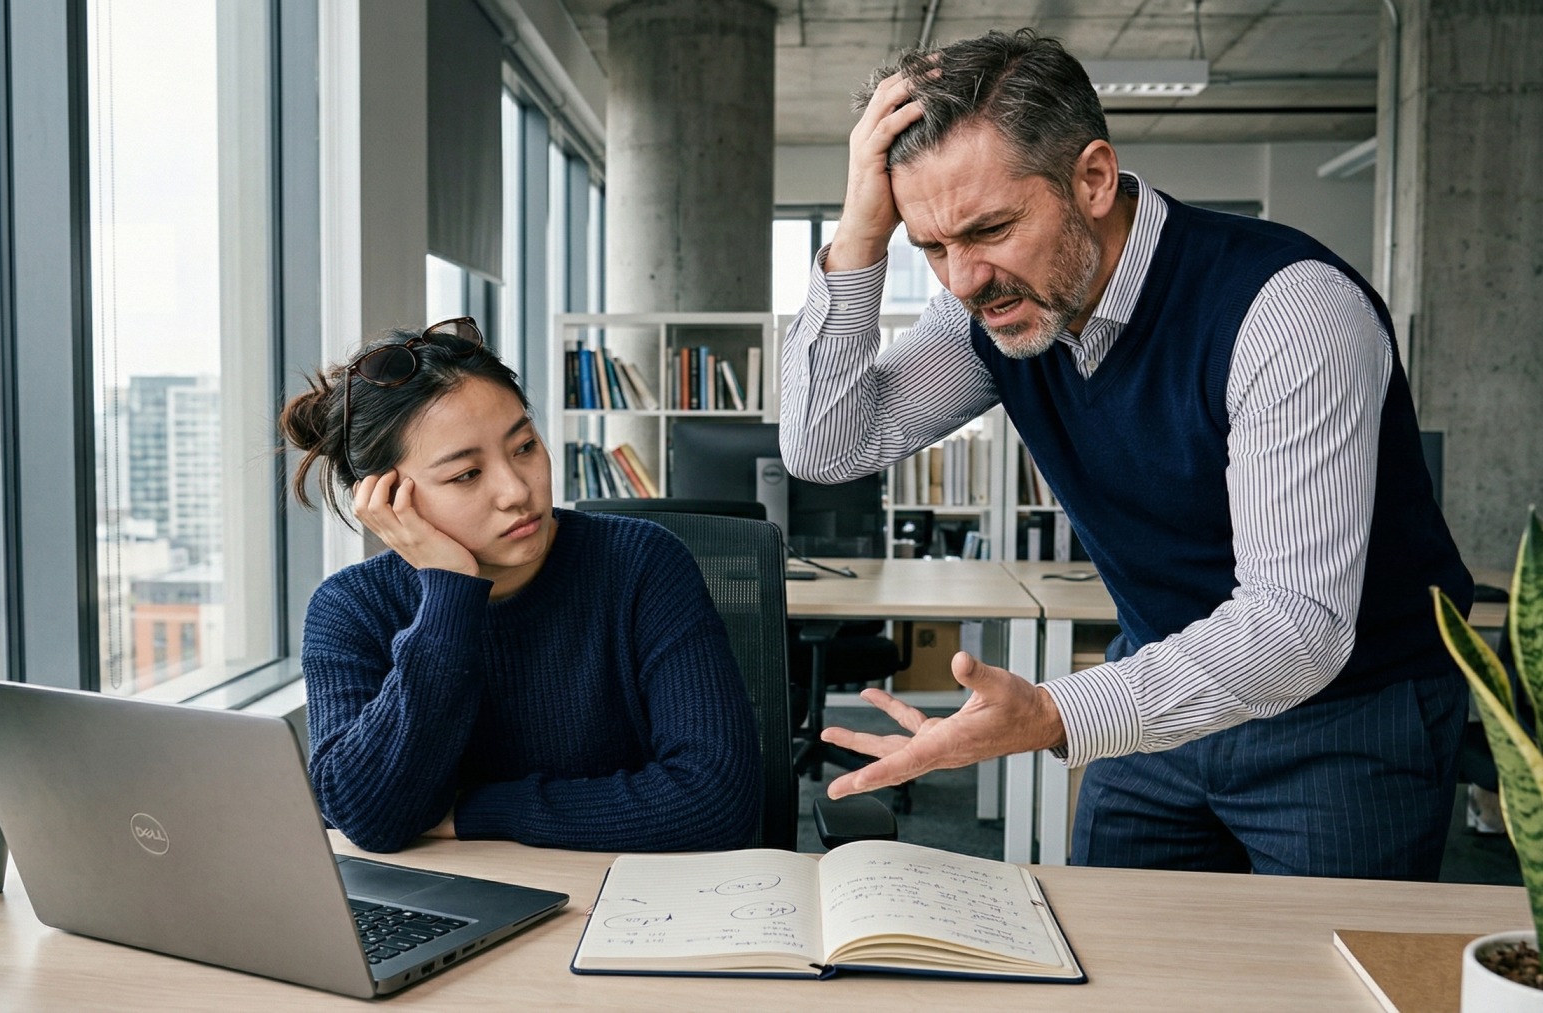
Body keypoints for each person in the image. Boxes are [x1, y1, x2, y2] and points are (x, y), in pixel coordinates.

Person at [780, 30, 1474, 880]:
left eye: (991, 228)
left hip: (1347, 717)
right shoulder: (989, 308)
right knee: (1114, 968)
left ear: (1094, 179)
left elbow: (1298, 626)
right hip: (1157, 695)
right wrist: (858, 239)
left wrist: (1048, 711)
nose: (962, 280)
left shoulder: (1288, 312)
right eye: (931, 246)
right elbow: (827, 443)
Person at [283, 317, 761, 854]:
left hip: (636, 907)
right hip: (462, 906)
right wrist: (447, 596)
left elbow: (718, 801)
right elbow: (367, 817)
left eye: (525, 447)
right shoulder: (350, 608)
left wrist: (475, 810)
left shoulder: (640, 562)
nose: (516, 490)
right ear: (388, 499)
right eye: (466, 474)